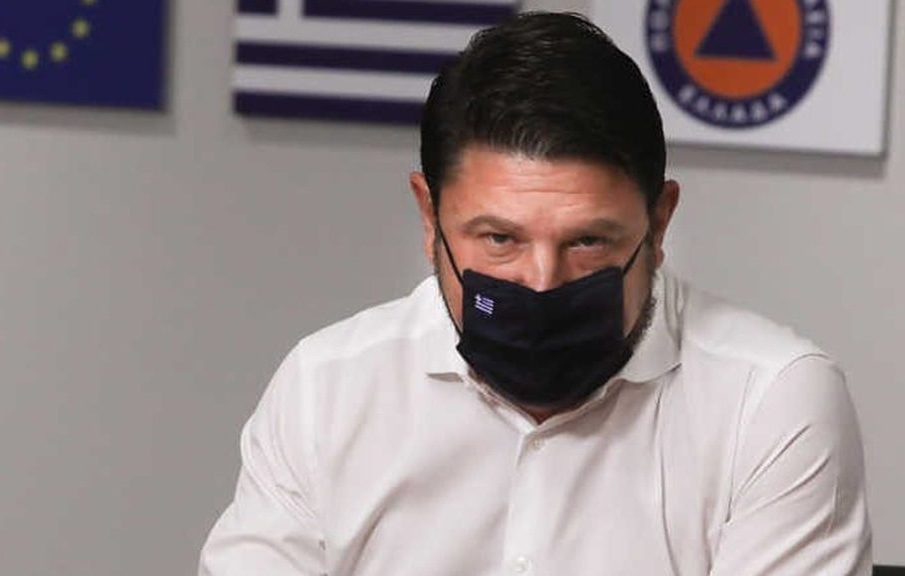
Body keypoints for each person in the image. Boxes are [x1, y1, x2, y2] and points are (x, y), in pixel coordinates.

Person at [199, 12, 871, 575]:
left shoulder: (768, 401)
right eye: (500, 239)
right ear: (430, 219)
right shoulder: (326, 390)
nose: (542, 281)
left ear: (659, 223)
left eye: (588, 242)